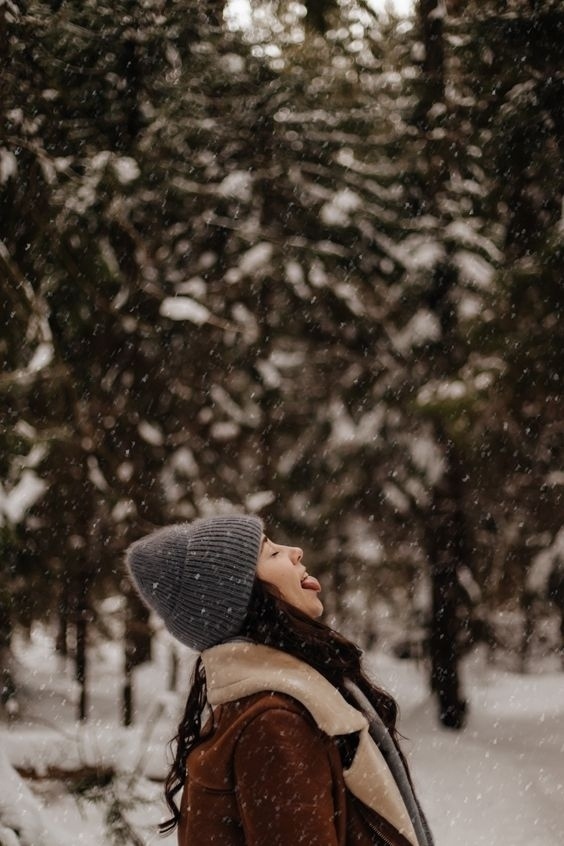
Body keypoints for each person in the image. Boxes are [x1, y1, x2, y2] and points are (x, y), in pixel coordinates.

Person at [125, 514, 434, 846]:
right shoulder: (274, 724)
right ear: (249, 601)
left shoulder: (273, 706)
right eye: (271, 553)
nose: (296, 551)